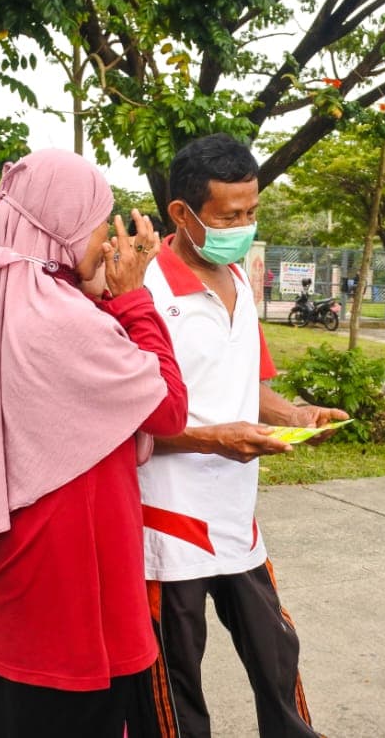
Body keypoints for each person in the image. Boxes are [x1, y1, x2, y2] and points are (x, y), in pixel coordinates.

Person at [0, 149, 188, 737]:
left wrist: (101, 293)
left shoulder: (9, 296)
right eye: (99, 223)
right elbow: (169, 409)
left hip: (19, 565)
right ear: (63, 227)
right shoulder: (67, 320)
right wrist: (134, 298)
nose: (106, 240)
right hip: (75, 579)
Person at [140, 133, 349, 738]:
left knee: (276, 654)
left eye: (252, 211)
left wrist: (295, 415)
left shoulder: (236, 277)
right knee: (175, 682)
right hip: (167, 524)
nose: (244, 226)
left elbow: (248, 385)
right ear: (181, 213)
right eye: (229, 216)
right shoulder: (143, 291)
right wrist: (213, 439)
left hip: (236, 518)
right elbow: (131, 420)